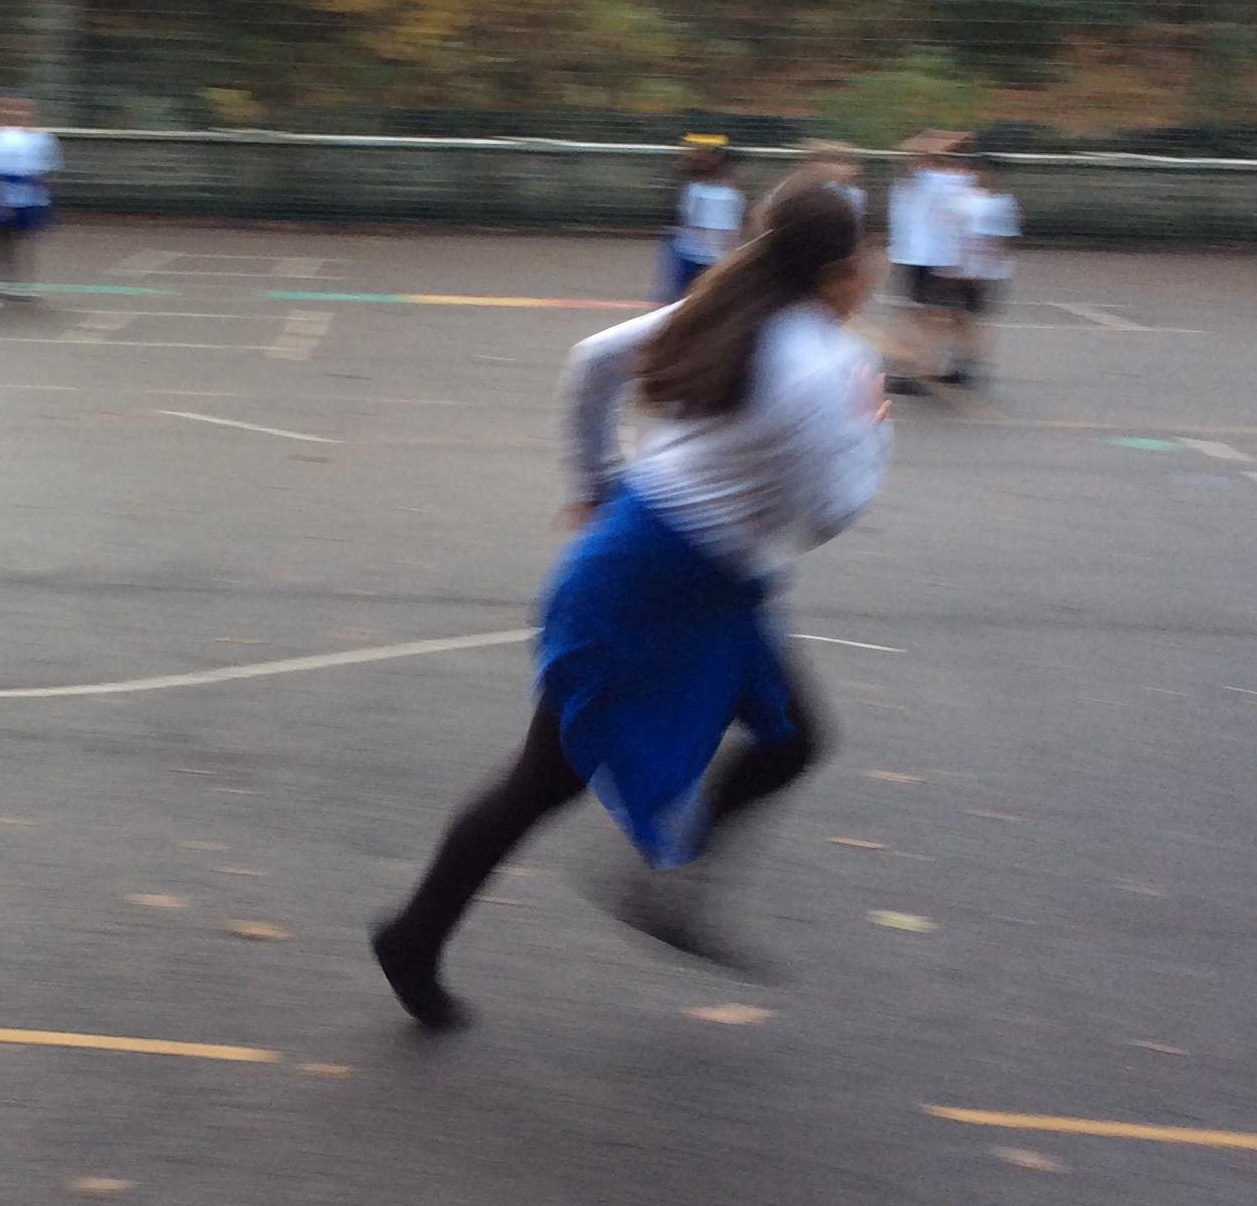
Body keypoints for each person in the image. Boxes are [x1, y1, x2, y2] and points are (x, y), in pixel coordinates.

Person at [371, 170, 892, 1030]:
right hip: (653, 585)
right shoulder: (832, 367)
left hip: (678, 573)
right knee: (544, 779)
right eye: (872, 254)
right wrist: (873, 433)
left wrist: (594, 483)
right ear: (847, 269)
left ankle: (667, 882)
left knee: (792, 737)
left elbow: (592, 363)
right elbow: (828, 513)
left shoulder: (733, 302)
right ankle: (413, 937)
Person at [884, 130, 969, 391]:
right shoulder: (919, 181)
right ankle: (906, 370)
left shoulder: (946, 181)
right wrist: (933, 141)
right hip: (924, 258)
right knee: (925, 317)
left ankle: (911, 367)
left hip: (930, 257)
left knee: (931, 316)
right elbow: (908, 154)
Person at [939, 157, 1020, 388]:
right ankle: (964, 360)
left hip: (981, 272)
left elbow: (1000, 240)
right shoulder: (967, 200)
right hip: (969, 269)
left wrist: (982, 266)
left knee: (971, 318)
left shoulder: (999, 203)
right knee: (959, 317)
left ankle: (970, 363)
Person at [0, 94, 62, 302]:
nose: (13, 113)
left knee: (25, 241)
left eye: (20, 109)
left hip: (29, 197)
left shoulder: (41, 138)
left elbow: (47, 170)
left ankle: (23, 282)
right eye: (8, 108)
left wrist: (44, 195)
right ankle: (4, 280)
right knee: (3, 240)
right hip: (0, 195)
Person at [661, 136, 746, 302]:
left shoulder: (693, 190)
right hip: (710, 260)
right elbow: (727, 232)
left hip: (688, 255)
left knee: (681, 300)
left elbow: (689, 221)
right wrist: (727, 257)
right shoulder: (730, 196)